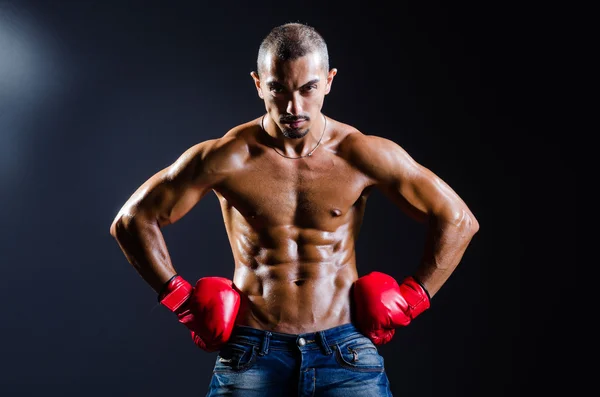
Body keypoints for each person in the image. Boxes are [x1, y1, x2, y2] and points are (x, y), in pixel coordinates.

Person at [110, 22, 479, 397]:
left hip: (345, 353)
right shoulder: (227, 157)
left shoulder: (360, 153)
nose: (293, 107)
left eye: (308, 89)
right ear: (258, 84)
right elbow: (131, 220)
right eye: (278, 89)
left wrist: (415, 298)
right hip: (251, 352)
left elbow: (459, 219)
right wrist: (182, 302)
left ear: (329, 80)